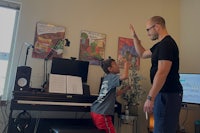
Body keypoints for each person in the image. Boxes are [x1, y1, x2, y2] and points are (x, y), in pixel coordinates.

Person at [129, 16, 183, 133]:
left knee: (162, 129)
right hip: (163, 94)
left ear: (157, 26)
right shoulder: (160, 45)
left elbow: (162, 72)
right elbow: (142, 54)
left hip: (168, 94)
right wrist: (134, 37)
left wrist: (150, 97)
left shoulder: (167, 44)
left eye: (148, 30)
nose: (148, 34)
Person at [90, 57, 130, 133]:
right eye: (115, 64)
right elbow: (125, 76)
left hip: (96, 111)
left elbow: (113, 94)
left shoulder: (107, 78)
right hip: (102, 114)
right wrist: (126, 64)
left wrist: (125, 90)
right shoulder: (112, 77)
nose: (118, 65)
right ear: (110, 69)